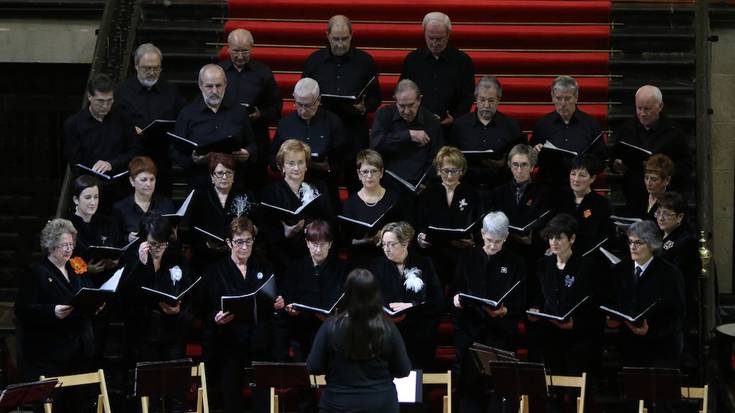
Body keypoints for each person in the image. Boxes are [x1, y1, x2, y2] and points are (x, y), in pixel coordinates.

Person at [202, 217, 286, 413]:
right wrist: (216, 317)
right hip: (230, 344)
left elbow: (273, 301)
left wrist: (278, 303)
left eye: (248, 241)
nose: (244, 246)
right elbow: (208, 307)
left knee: (263, 402)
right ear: (229, 243)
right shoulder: (216, 271)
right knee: (232, 401)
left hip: (260, 342)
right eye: (239, 241)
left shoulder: (264, 267)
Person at [15, 219, 100, 413]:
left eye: (71, 244)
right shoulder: (37, 272)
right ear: (51, 245)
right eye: (64, 245)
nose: (69, 249)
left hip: (80, 348)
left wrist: (96, 303)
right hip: (51, 352)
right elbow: (22, 309)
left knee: (80, 403)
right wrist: (51, 311)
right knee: (56, 405)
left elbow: (89, 290)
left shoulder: (76, 265)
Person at [307, 268, 411, 413]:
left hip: (337, 404)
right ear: (376, 294)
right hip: (381, 404)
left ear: (346, 294)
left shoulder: (330, 327)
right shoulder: (388, 328)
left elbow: (314, 367)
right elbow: (403, 370)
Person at [451, 211, 526, 413]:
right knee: (469, 392)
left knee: (501, 393)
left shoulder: (516, 262)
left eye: (499, 242)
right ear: (482, 233)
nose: (493, 246)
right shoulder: (467, 258)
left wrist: (505, 310)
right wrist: (457, 299)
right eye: (489, 240)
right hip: (471, 332)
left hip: (500, 335)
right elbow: (456, 289)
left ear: (507, 237)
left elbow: (521, 300)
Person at [303, 15, 382, 191]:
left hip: (353, 129)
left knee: (357, 181)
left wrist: (364, 108)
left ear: (352, 35)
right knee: (324, 183)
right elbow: (304, 91)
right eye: (336, 39)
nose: (340, 44)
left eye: (345, 39)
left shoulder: (365, 61)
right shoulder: (314, 61)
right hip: (323, 129)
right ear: (327, 36)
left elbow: (376, 97)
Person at [118, 212, 195, 365]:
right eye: (153, 244)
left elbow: (188, 287)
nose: (158, 248)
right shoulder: (132, 256)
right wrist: (141, 264)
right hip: (142, 329)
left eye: (162, 243)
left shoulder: (175, 255)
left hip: (171, 327)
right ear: (143, 240)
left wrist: (180, 309)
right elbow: (126, 292)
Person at [606, 220, 685, 368]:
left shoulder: (669, 273)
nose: (633, 247)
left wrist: (651, 331)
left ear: (652, 245)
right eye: (630, 242)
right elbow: (613, 301)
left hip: (661, 347)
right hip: (629, 345)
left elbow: (677, 312)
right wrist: (613, 318)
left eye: (638, 243)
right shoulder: (620, 270)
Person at [527, 213, 598, 376]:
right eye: (551, 238)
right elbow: (538, 294)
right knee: (552, 384)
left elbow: (591, 302)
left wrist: (577, 323)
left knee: (576, 383)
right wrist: (535, 308)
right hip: (549, 334)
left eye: (559, 238)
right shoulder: (542, 264)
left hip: (576, 336)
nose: (554, 242)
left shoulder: (586, 266)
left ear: (572, 239)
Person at [170, 64, 257, 190]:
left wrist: (248, 153)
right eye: (209, 86)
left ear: (226, 84)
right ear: (200, 85)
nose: (215, 91)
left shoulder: (239, 111)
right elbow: (174, 151)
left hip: (234, 184)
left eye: (219, 85)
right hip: (200, 184)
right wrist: (193, 160)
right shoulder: (187, 114)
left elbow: (252, 144)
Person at [114, 43, 184, 196]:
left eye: (156, 68)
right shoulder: (122, 91)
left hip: (162, 157)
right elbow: (115, 122)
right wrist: (131, 130)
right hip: (132, 158)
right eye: (147, 68)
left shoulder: (171, 90)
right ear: (136, 66)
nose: (152, 72)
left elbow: (181, 119)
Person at [371, 221, 443, 369]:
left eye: (391, 244)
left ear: (405, 243)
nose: (386, 249)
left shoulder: (424, 263)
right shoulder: (377, 266)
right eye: (383, 244)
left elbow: (437, 301)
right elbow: (370, 300)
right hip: (388, 332)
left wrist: (412, 305)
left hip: (419, 332)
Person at [220, 29, 282, 191]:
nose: (240, 56)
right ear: (228, 49)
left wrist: (260, 114)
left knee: (256, 189)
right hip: (226, 140)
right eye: (235, 51)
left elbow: (276, 106)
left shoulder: (263, 73)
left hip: (256, 138)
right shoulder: (219, 72)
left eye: (245, 51)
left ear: (252, 48)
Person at [260, 139, 335, 273]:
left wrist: (315, 228)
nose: (296, 168)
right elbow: (266, 232)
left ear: (306, 165)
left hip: (316, 253)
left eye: (301, 162)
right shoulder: (270, 193)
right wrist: (285, 234)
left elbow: (330, 221)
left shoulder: (319, 187)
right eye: (291, 163)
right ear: (282, 166)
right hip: (283, 256)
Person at [612, 85, 691, 208]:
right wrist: (616, 164)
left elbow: (686, 165)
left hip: (663, 198)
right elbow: (615, 154)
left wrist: (664, 173)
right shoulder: (627, 129)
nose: (642, 114)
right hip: (634, 194)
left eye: (647, 109)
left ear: (660, 106)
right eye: (639, 108)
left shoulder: (673, 132)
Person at [416, 146, 484, 286]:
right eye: (445, 171)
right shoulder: (428, 193)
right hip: (434, 253)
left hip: (462, 253)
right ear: (438, 170)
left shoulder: (473, 194)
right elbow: (419, 224)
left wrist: (473, 242)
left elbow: (479, 225)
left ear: (462, 171)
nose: (449, 176)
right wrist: (420, 237)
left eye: (454, 171)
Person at [271, 78, 345, 206]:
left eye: (308, 105)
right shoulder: (285, 123)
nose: (303, 110)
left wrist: (329, 167)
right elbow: (272, 157)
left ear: (318, 100)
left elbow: (343, 158)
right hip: (292, 189)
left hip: (324, 187)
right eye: (299, 104)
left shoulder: (332, 122)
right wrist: (284, 165)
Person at [284, 220, 351, 360]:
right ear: (307, 243)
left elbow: (347, 300)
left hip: (333, 332)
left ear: (330, 244)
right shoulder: (296, 267)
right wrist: (289, 308)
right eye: (314, 245)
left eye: (323, 244)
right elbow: (288, 296)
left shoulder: (343, 269)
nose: (318, 250)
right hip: (303, 331)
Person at [400, 11, 475, 128]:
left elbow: (468, 96)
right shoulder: (412, 60)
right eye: (430, 38)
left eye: (439, 39)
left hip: (452, 127)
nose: (434, 43)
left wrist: (455, 117)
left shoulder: (463, 61)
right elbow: (403, 91)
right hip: (417, 124)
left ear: (448, 34)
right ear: (424, 33)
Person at [340, 149, 412, 267]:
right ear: (359, 174)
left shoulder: (395, 199)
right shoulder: (350, 203)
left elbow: (406, 230)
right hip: (361, 259)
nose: (369, 176)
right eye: (365, 172)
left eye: (374, 171)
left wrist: (386, 236)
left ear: (381, 173)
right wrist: (365, 241)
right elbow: (347, 241)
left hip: (390, 259)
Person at [530, 76, 606, 188]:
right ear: (552, 98)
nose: (563, 103)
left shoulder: (591, 124)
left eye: (567, 98)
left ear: (576, 97)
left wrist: (585, 165)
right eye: (558, 98)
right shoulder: (543, 124)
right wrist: (535, 152)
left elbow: (601, 161)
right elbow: (530, 159)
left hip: (580, 186)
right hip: (549, 185)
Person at [370, 79, 444, 194]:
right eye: (402, 106)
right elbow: (376, 145)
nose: (406, 111)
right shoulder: (384, 115)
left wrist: (425, 183)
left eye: (411, 105)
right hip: (387, 184)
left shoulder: (432, 121)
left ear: (419, 100)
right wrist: (408, 135)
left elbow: (436, 158)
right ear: (395, 100)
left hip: (420, 186)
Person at [450, 76, 523, 190]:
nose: (486, 105)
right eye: (482, 100)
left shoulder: (511, 126)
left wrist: (505, 164)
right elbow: (451, 159)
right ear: (476, 98)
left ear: (498, 99)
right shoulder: (460, 125)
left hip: (501, 188)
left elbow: (521, 160)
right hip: (466, 187)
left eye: (491, 100)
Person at [188, 153, 257, 272]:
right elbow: (192, 230)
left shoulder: (246, 196)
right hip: (208, 256)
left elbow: (256, 225)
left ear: (234, 175)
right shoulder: (200, 197)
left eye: (229, 172)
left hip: (239, 255)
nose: (224, 177)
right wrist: (207, 245)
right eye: (220, 173)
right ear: (212, 177)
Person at [64, 73, 139, 179]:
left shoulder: (123, 118)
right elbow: (75, 164)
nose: (105, 106)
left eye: (109, 101)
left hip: (120, 182)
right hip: (90, 185)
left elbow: (134, 150)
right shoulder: (73, 124)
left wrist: (111, 164)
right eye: (100, 101)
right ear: (89, 96)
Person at [655, 192, 700, 338]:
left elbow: (676, 275)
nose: (661, 218)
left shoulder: (686, 240)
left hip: (675, 304)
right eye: (659, 212)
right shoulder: (660, 236)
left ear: (680, 217)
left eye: (667, 214)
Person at [66, 175, 122, 285]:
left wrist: (115, 261)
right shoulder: (67, 225)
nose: (93, 202)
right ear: (76, 200)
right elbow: (62, 260)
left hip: (108, 279)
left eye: (96, 197)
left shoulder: (107, 222)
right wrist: (85, 269)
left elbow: (118, 247)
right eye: (88, 197)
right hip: (79, 282)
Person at [555, 154, 614, 254]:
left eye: (582, 175)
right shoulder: (560, 198)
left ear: (592, 178)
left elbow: (603, 236)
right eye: (573, 174)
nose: (576, 179)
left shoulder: (601, 204)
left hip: (589, 256)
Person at [112, 156, 175, 242]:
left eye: (152, 179)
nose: (149, 184)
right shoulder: (120, 208)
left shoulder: (166, 204)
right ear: (132, 181)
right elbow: (115, 240)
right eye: (143, 180)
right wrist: (128, 238)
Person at [635, 153, 674, 220]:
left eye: (654, 179)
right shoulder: (639, 196)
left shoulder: (673, 201)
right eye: (646, 178)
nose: (648, 183)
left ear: (667, 180)